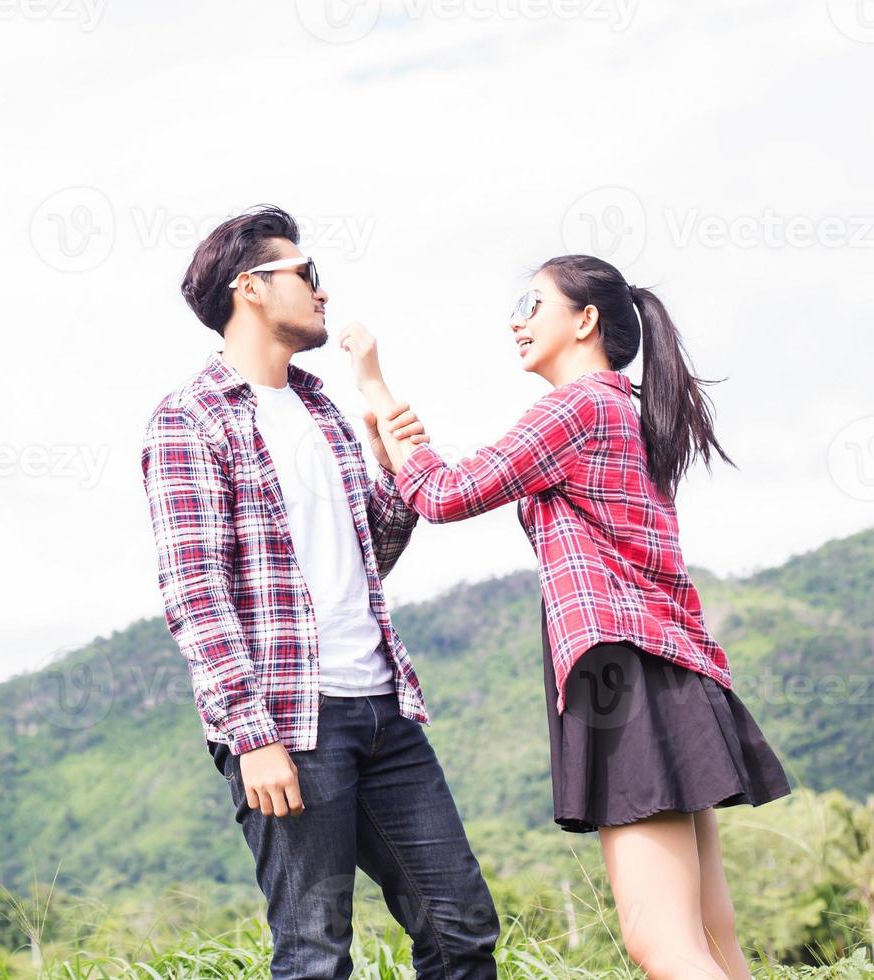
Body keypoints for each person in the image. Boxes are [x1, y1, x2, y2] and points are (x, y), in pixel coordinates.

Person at [338, 254, 792, 980]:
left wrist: (375, 386)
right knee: (710, 939)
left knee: (662, 944)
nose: (516, 319)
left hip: (621, 678)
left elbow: (449, 494)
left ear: (585, 320)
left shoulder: (578, 408)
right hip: (671, 671)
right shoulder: (629, 408)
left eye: (532, 301)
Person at [139, 205, 500, 979]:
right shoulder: (190, 420)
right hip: (290, 724)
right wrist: (252, 735)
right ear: (252, 288)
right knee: (313, 955)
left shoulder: (324, 411)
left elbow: (370, 557)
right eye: (306, 274)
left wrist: (393, 475)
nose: (322, 292)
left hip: (383, 710)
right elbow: (195, 591)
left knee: (461, 928)